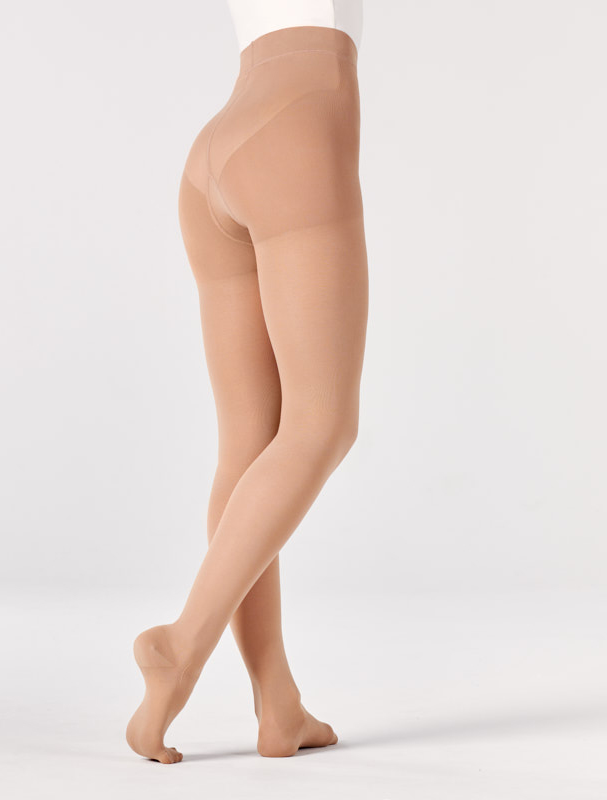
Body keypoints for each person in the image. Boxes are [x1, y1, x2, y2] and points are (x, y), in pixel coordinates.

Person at [126, 0, 368, 763]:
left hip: (217, 150)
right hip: (299, 124)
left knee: (249, 444)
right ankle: (181, 646)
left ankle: (277, 704)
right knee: (322, 425)